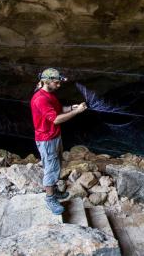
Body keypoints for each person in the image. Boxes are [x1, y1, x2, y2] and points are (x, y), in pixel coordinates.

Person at [30, 68, 87, 215]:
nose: (59, 85)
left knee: (56, 164)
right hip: (47, 139)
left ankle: (54, 192)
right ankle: (50, 199)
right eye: (56, 82)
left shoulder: (49, 94)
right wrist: (77, 112)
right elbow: (55, 119)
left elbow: (57, 109)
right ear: (47, 81)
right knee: (51, 168)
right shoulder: (40, 99)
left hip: (54, 137)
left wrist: (70, 108)